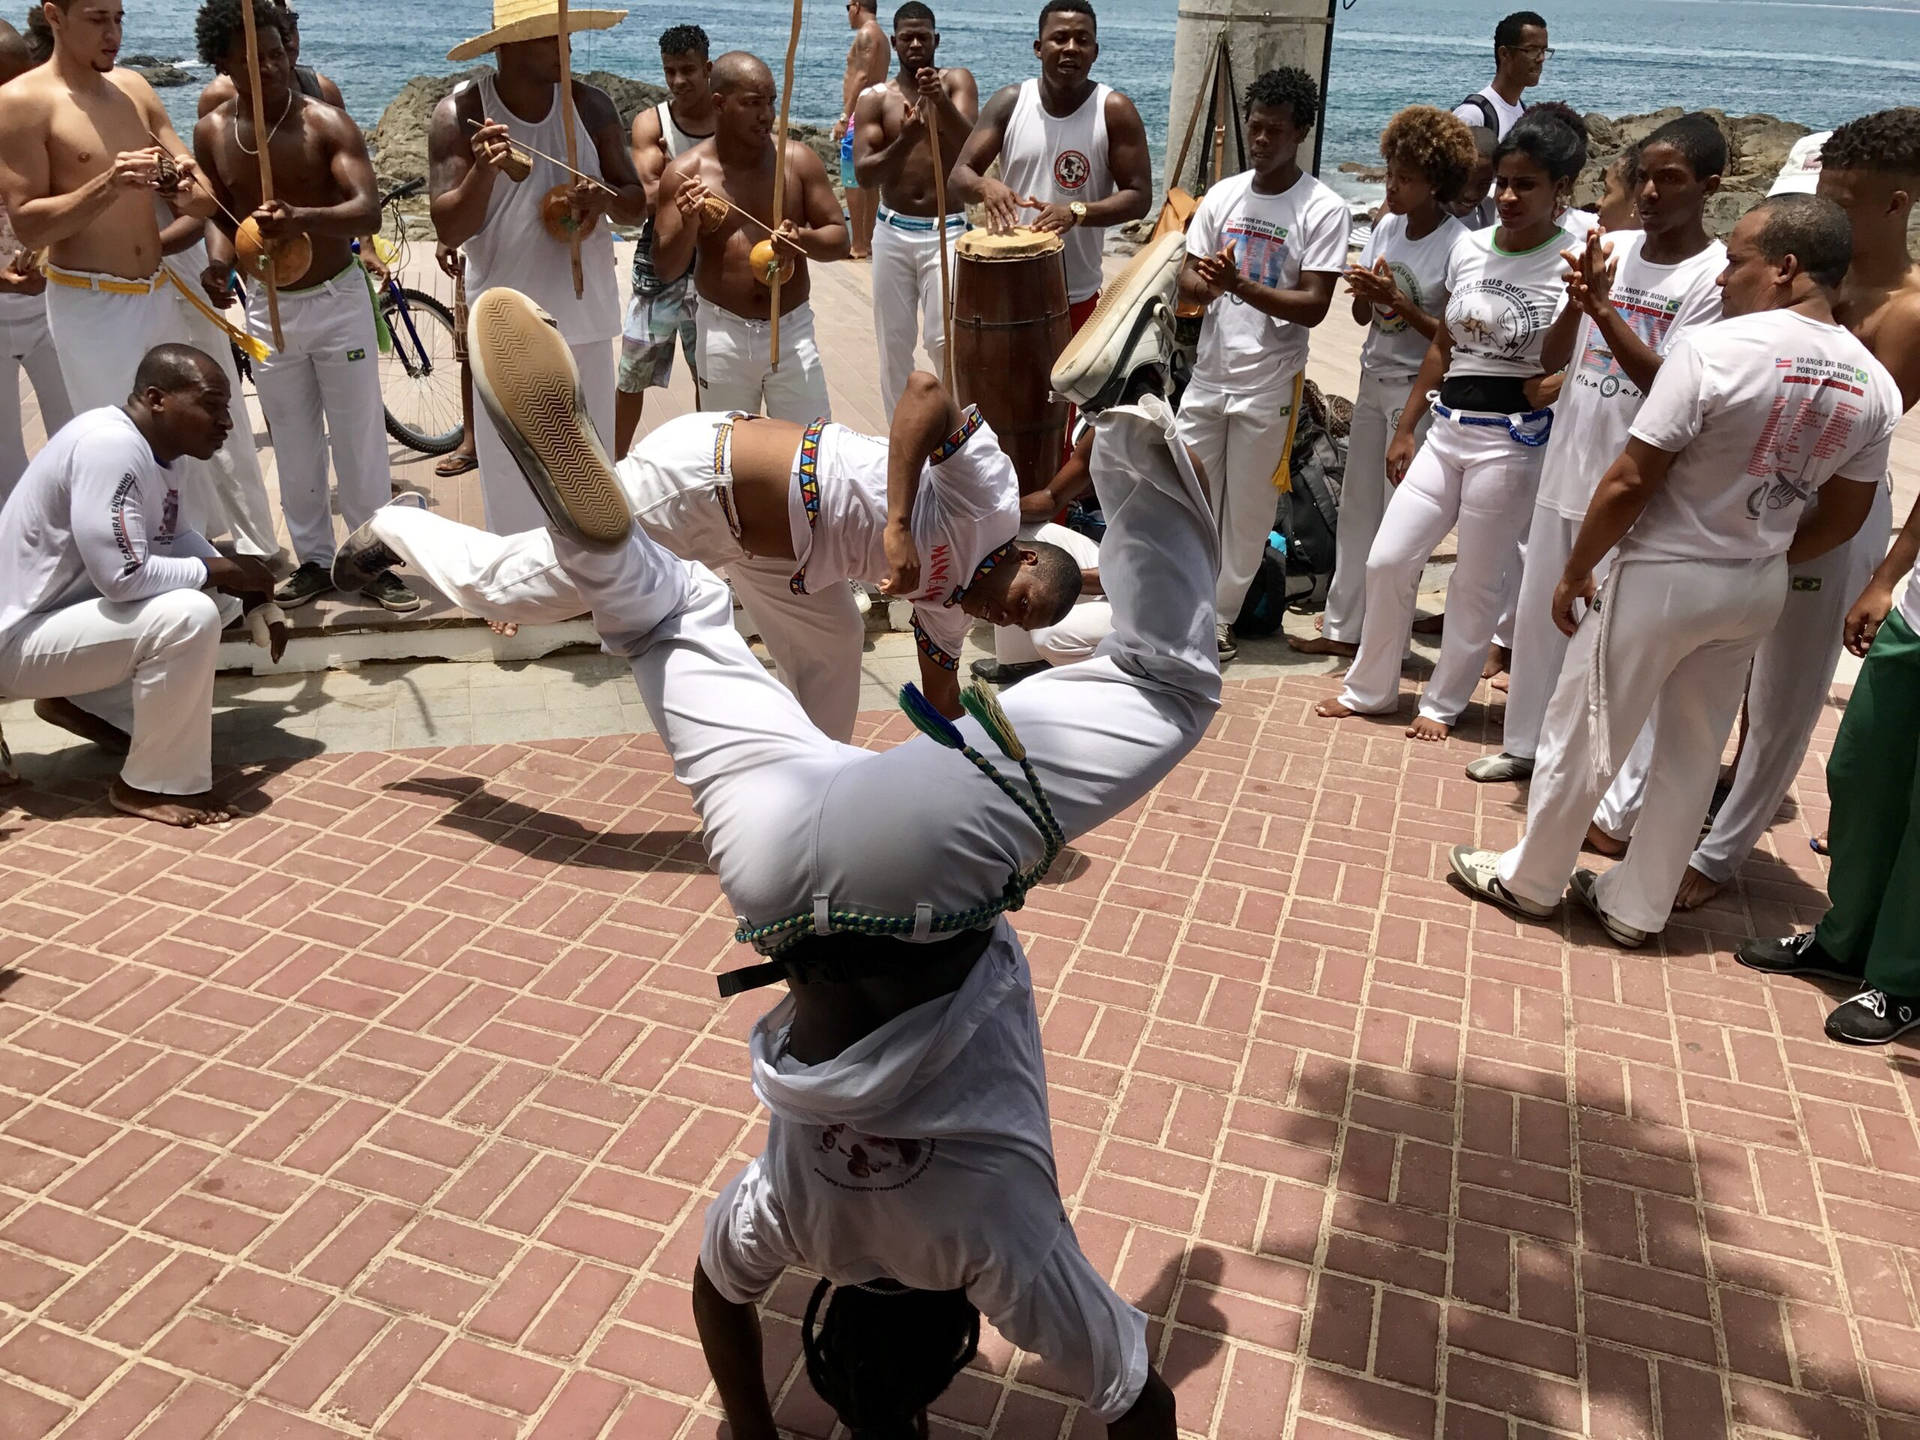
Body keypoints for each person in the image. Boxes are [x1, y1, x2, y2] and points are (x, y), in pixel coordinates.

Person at [462, 269, 1200, 1440]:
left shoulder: (1005, 1251)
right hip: (771, 874)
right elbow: (717, 1290)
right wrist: (755, 1427)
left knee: (1170, 685)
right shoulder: (787, 1219)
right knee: (669, 622)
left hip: (899, 882)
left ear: (964, 1332)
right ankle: (609, 558)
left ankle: (1144, 431)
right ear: (827, 1317)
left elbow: (1136, 1402)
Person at [1448, 195, 1900, 949]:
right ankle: (1637, 904)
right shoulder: (1872, 382)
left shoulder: (1717, 349)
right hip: (1755, 580)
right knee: (1694, 748)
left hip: (1665, 567)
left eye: (1738, 260)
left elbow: (1632, 477)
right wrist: (1764, 549)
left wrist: (1576, 567)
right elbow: (1847, 514)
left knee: (1586, 725)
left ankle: (1530, 879)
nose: (1723, 278)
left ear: (1786, 269)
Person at [334, 359, 1081, 739]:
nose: (998, 617)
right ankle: (399, 525)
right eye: (1015, 603)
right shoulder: (990, 500)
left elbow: (943, 699)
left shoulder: (950, 612)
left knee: (834, 651)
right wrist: (894, 526)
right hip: (699, 483)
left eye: (1012, 626)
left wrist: (980, 764)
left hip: (778, 562)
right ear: (1022, 557)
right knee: (517, 593)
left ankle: (811, 804)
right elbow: (924, 391)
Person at [1640, 107, 1920, 913]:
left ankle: (1725, 851)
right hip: (1752, 498)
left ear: (1897, 204)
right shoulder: (1808, 275)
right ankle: (1675, 809)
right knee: (1712, 668)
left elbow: (1842, 420)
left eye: (1846, 197)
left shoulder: (1906, 308)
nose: (1828, 211)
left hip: (1833, 516)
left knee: (1786, 694)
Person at [1467, 113, 1728, 785]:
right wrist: (1580, 303)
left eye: (1669, 179)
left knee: (1608, 635)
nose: (1649, 193)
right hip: (1567, 460)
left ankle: (1591, 770)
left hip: (1632, 480)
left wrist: (1606, 310)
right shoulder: (1611, 246)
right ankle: (1524, 744)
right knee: (1538, 612)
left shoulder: (1714, 274)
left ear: (1709, 186)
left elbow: (1670, 385)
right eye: (1642, 177)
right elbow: (1555, 357)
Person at [1317, 105, 1586, 737]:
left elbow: (1563, 359)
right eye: (1505, 182)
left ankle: (1442, 703)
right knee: (1388, 558)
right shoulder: (1471, 246)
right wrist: (1408, 426)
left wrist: (1556, 370)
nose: (1511, 196)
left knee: (1475, 580)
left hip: (1512, 440)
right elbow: (1444, 345)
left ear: (1560, 192)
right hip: (1447, 425)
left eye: (1528, 185)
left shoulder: (1570, 259)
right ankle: (1372, 688)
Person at [0, 0, 276, 553]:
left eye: (120, 18)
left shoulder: (134, 88)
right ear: (55, 17)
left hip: (158, 291)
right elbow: (29, 224)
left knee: (193, 435)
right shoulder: (22, 103)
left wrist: (180, 181)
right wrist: (108, 184)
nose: (114, 34)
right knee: (123, 447)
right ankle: (137, 571)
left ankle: (201, 561)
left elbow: (200, 198)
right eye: (98, 19)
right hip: (91, 302)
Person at [192, 0, 417, 613]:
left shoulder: (325, 122)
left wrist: (304, 218)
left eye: (276, 52)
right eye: (251, 58)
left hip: (336, 297)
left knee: (360, 440)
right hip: (268, 310)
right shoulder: (214, 129)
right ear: (222, 63)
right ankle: (316, 561)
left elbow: (366, 209)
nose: (269, 66)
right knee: (292, 443)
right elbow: (218, 213)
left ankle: (374, 561)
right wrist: (217, 265)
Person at [0, 345, 276, 826]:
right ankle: (148, 785)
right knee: (188, 614)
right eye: (211, 406)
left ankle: (80, 705)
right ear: (157, 399)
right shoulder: (110, 447)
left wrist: (242, 578)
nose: (226, 422)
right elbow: (123, 577)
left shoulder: (160, 450)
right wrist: (220, 571)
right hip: (13, 642)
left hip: (50, 626)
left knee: (217, 596)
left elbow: (174, 538)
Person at [429, 0, 647, 534]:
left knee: (589, 460)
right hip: (505, 320)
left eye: (566, 35)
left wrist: (605, 201)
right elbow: (449, 228)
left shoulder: (591, 106)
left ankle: (595, 578)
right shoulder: (460, 113)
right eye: (551, 38)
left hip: (584, 311)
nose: (566, 48)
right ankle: (514, 583)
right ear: (507, 48)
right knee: (509, 464)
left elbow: (637, 203)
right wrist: (482, 169)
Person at [1175, 67, 1346, 665]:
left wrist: (1238, 284)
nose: (1263, 138)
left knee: (1247, 511)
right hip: (1209, 376)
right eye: (1255, 127)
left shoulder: (1322, 209)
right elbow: (1189, 277)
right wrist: (1206, 282)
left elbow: (1315, 305)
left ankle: (1220, 619)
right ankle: (1182, 607)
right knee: (1187, 491)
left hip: (1271, 383)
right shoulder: (1223, 195)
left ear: (1301, 130)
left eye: (1276, 129)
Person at [1294, 105, 1473, 660]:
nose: (1392, 187)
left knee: (1404, 516)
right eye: (1390, 173)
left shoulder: (1458, 244)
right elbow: (1364, 320)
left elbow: (1450, 337)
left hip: (1415, 393)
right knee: (1357, 506)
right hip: (1373, 378)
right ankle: (1343, 628)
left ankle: (1385, 636)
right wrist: (1370, 298)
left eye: (1405, 178)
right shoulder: (1386, 227)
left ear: (1435, 181)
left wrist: (1398, 300)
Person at [653, 52, 849, 421]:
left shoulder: (797, 161)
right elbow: (665, 268)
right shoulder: (687, 174)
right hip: (722, 330)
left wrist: (801, 241)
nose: (766, 115)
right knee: (727, 453)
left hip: (791, 329)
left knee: (812, 447)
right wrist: (689, 222)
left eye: (771, 102)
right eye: (752, 103)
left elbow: (840, 239)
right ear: (719, 103)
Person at [949, 0, 1152, 330]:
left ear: (1096, 51)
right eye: (1060, 38)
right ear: (1038, 48)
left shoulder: (1114, 110)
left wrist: (1076, 212)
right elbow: (958, 177)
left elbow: (1140, 197)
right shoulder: (1010, 103)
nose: (1071, 48)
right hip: (1005, 289)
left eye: (1082, 40)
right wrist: (985, 185)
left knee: (1066, 385)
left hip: (1075, 296)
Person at [853, 1, 978, 418]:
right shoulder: (874, 99)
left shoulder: (957, 83)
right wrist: (907, 137)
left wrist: (939, 102)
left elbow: (973, 147)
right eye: (907, 37)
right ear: (894, 42)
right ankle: (899, 435)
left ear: (936, 40)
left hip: (950, 228)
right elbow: (866, 175)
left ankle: (953, 431)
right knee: (893, 342)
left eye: (923, 35)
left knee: (944, 341)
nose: (916, 44)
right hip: (893, 231)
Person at [613, 24, 714, 456]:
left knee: (708, 377)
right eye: (670, 71)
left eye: (687, 70)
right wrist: (700, 181)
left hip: (713, 263)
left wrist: (674, 174)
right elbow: (648, 198)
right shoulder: (651, 121)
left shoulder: (728, 118)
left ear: (708, 68)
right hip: (659, 262)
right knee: (630, 374)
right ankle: (614, 464)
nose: (677, 81)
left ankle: (705, 462)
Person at [0, 17, 73, 501]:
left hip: (53, 306)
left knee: (76, 434)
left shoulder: (46, 127)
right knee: (4, 457)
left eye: (23, 79)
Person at [197, 0, 343, 114]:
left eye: (293, 28)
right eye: (281, 32)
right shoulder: (217, 98)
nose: (290, 42)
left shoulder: (323, 91)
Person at [833, 0, 889, 261]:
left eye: (847, 7)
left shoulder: (867, 33)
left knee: (852, 178)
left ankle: (858, 243)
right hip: (874, 112)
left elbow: (862, 76)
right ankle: (868, 241)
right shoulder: (881, 36)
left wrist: (845, 116)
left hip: (859, 114)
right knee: (868, 180)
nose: (847, 15)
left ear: (856, 5)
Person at [1453, 10, 1548, 139]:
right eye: (1532, 50)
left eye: (1543, 50)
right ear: (1504, 54)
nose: (1541, 58)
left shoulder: (1523, 113)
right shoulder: (1472, 115)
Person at [1450, 126, 1498, 230]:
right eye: (1463, 180)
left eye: (1484, 184)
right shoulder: (1419, 215)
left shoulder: (1494, 205)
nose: (1471, 194)